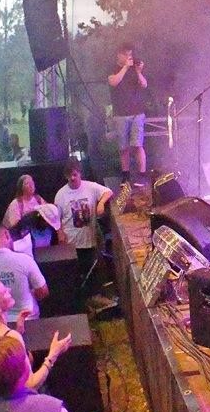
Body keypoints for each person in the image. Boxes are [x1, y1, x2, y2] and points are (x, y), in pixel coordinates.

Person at [0, 226, 49, 322]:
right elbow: (43, 291)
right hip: (28, 320)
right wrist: (30, 294)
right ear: (7, 235)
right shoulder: (24, 259)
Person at [54, 159, 112, 283]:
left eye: (74, 174)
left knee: (91, 272)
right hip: (72, 242)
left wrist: (101, 203)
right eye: (69, 175)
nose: (72, 178)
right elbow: (56, 218)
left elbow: (108, 192)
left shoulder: (90, 187)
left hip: (89, 240)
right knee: (76, 275)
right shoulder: (61, 194)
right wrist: (60, 233)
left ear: (80, 173)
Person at [107, 42, 148, 184]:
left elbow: (144, 84)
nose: (129, 57)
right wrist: (125, 67)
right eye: (126, 55)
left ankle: (142, 175)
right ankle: (126, 175)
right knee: (123, 147)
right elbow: (113, 82)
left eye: (130, 54)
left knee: (137, 145)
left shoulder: (134, 69)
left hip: (137, 113)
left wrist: (138, 71)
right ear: (119, 55)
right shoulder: (113, 69)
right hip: (120, 114)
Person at [4, 174, 45, 255]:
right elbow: (14, 225)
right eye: (27, 183)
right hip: (22, 240)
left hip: (39, 236)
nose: (31, 185)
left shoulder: (38, 199)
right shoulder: (16, 203)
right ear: (21, 188)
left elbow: (48, 213)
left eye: (32, 182)